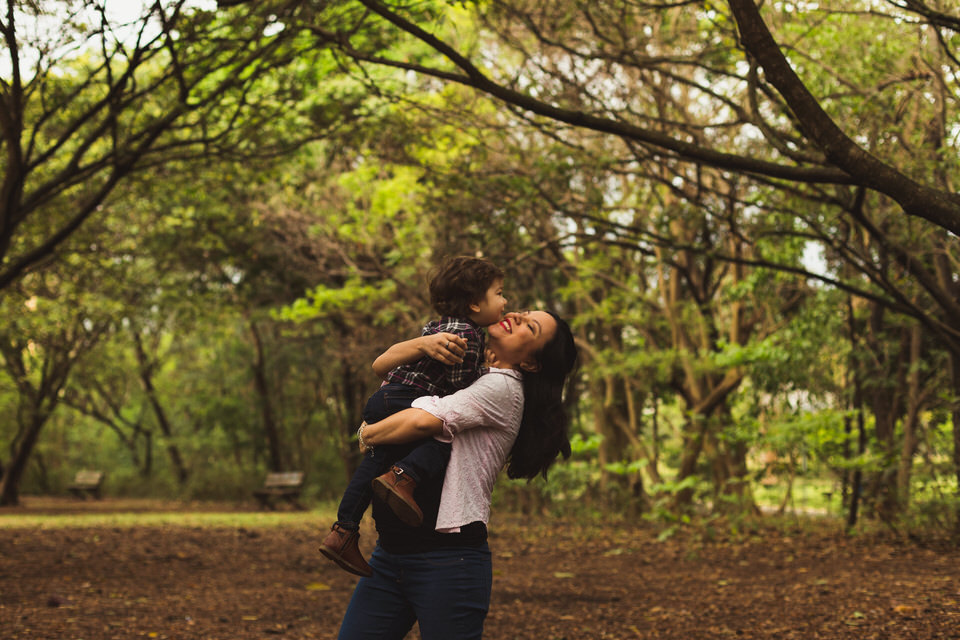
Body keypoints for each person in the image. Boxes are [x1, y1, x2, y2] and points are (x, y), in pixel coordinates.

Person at [336, 309, 578, 640]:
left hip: (447, 561)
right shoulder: (471, 371)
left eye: (529, 326)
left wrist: (368, 432)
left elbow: (421, 419)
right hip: (390, 553)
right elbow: (393, 375)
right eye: (523, 312)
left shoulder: (503, 387)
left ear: (532, 364)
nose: (516, 316)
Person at [319, 256, 507, 578]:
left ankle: (343, 531)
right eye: (500, 293)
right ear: (476, 303)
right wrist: (488, 371)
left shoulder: (439, 325)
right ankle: (402, 477)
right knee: (447, 436)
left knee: (373, 463)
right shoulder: (468, 335)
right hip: (409, 400)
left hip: (387, 395)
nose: (505, 301)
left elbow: (386, 367)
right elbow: (460, 391)